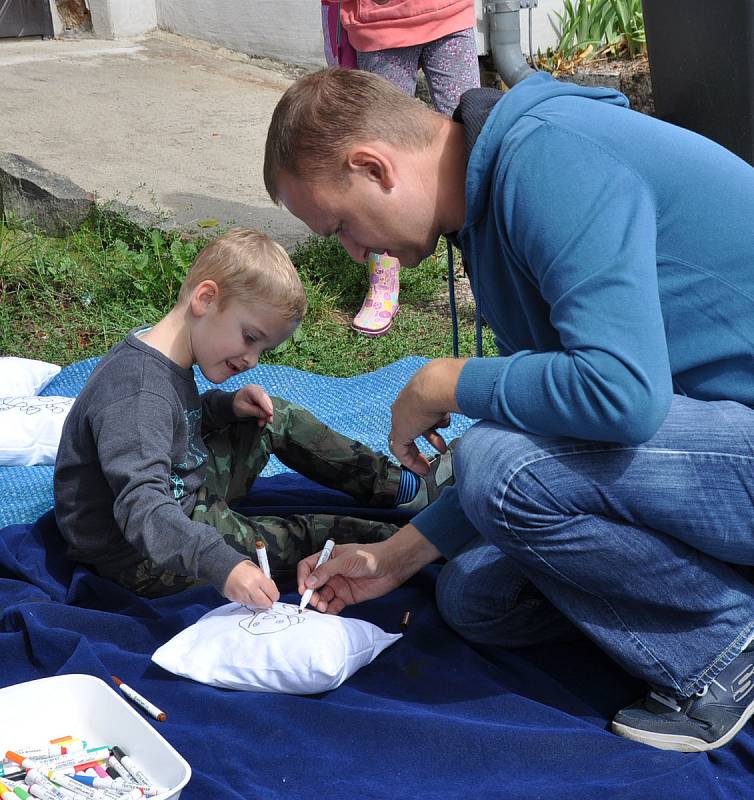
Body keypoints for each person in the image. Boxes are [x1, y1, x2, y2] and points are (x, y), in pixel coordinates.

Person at [263, 67, 754, 752]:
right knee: (476, 597)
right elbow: (563, 426)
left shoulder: (549, 158)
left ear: (373, 166)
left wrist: (444, 381)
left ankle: (726, 648)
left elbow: (622, 394)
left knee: (496, 460)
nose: (352, 251)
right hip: (720, 442)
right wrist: (397, 557)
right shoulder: (487, 202)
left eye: (340, 224)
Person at [54, 228, 455, 607]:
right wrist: (223, 564)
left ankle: (404, 489)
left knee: (272, 416)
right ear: (205, 299)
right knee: (307, 536)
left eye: (263, 349)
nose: (251, 361)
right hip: (146, 552)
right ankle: (430, 543)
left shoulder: (163, 354)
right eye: (250, 338)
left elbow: (176, 423)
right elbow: (142, 509)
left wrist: (224, 409)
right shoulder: (139, 393)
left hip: (182, 494)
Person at [320, 0, 479, 336]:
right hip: (381, 23)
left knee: (473, 145)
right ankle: (384, 280)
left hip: (449, 12)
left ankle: (486, 271)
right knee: (378, 154)